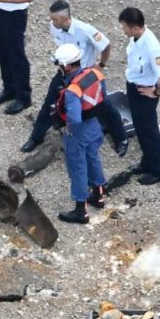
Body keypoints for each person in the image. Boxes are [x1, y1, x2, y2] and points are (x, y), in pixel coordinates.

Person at [21, 0, 128, 156]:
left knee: (103, 106)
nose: (51, 22)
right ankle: (36, 137)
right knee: (50, 103)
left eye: (55, 19)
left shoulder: (85, 30)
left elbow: (105, 45)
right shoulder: (55, 28)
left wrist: (101, 65)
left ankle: (121, 139)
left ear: (66, 19)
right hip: (65, 72)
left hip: (86, 76)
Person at [52, 44, 109, 224]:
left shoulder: (72, 90)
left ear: (67, 66)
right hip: (94, 126)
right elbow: (104, 97)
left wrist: (68, 128)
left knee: (78, 168)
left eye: (60, 65)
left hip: (78, 133)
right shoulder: (96, 74)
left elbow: (75, 119)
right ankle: (98, 196)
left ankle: (80, 211)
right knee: (93, 158)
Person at [119, 7, 160, 185]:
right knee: (141, 129)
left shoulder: (151, 47)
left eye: (124, 27)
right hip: (134, 88)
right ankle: (147, 162)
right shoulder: (136, 38)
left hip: (145, 93)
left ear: (135, 28)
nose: (123, 30)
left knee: (150, 131)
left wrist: (156, 93)